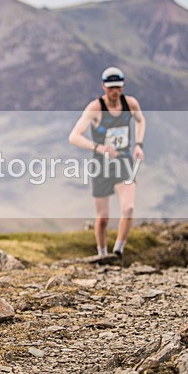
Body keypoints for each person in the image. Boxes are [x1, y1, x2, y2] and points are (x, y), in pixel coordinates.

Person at [68, 67, 145, 261]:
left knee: (128, 208)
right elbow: (74, 136)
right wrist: (98, 147)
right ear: (103, 87)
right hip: (101, 166)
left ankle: (118, 251)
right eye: (111, 87)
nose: (114, 91)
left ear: (122, 86)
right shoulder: (95, 108)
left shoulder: (130, 104)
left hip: (124, 162)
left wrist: (138, 145)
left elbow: (140, 121)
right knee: (102, 218)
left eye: (118, 87)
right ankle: (102, 254)